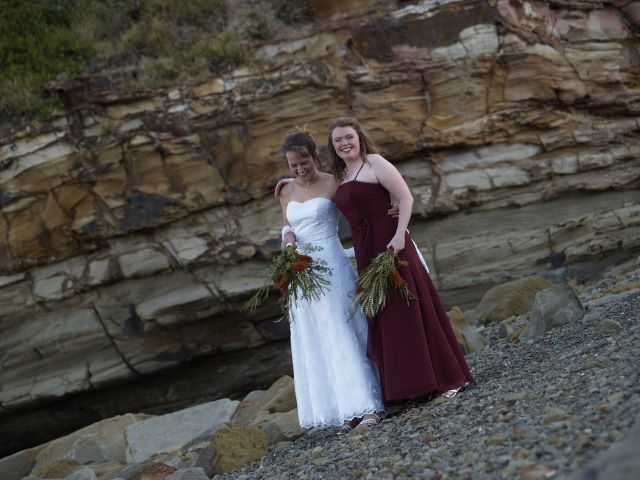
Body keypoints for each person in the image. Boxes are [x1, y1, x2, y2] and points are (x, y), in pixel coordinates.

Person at [328, 117, 474, 404]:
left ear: (359, 137)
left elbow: (406, 198)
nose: (345, 143)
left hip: (391, 244)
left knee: (410, 307)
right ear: (332, 147)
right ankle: (411, 387)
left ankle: (446, 377)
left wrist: (399, 236)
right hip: (366, 250)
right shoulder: (341, 175)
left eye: (349, 137)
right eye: (338, 140)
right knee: (387, 314)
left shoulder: (374, 162)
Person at [277, 128, 384, 432]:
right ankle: (345, 409)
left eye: (304, 163)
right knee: (320, 337)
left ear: (316, 157)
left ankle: (369, 405)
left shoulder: (333, 182)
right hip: (302, 272)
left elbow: (360, 212)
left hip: (331, 265)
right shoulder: (285, 191)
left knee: (344, 330)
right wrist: (288, 243)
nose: (300, 170)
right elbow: (287, 227)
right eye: (293, 165)